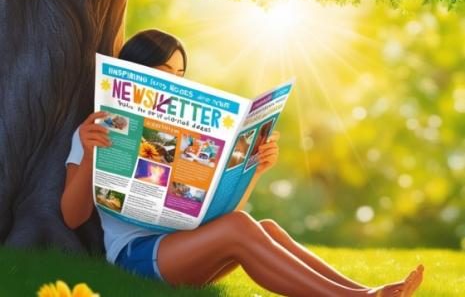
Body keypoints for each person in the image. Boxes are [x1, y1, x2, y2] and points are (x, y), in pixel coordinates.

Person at [61, 29, 424, 297]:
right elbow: (72, 217)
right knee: (240, 227)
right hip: (137, 257)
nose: (172, 81)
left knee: (266, 227)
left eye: (179, 75)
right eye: (163, 71)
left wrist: (254, 168)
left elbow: (225, 211)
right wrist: (93, 152)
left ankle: (367, 291)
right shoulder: (92, 130)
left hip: (185, 250)